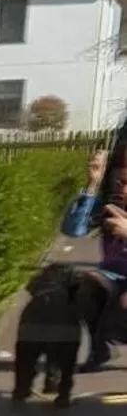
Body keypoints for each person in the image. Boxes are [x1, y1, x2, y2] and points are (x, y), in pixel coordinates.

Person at [61, 145, 127, 367]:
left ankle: (115, 333)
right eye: (119, 182)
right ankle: (100, 349)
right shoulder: (109, 204)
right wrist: (93, 184)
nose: (123, 191)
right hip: (114, 276)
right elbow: (73, 230)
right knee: (81, 285)